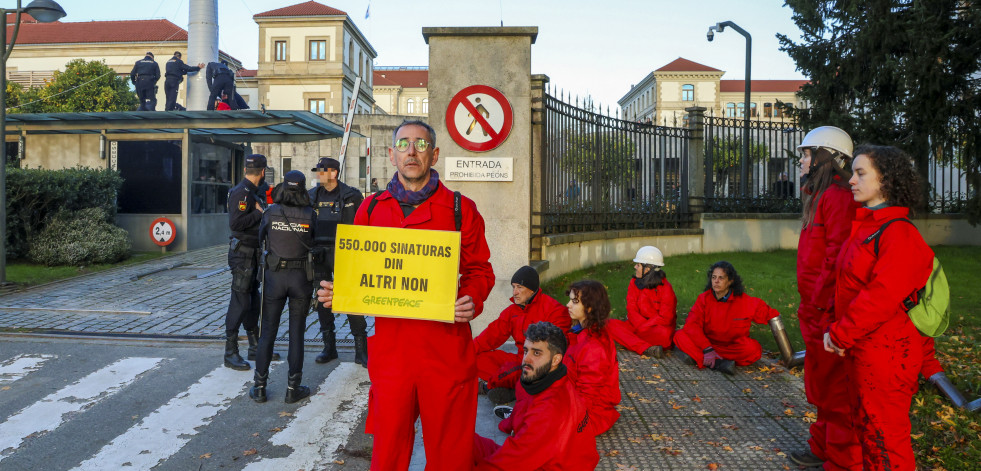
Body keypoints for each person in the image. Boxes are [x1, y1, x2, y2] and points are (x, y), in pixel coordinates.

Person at [315, 119, 495, 470]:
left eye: (421, 144)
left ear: (435, 154)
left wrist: (472, 297)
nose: (412, 151)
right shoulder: (371, 208)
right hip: (393, 350)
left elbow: (480, 270)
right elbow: (360, 272)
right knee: (388, 451)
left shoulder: (461, 209)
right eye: (404, 145)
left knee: (450, 452)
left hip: (445, 348)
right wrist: (343, 293)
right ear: (391, 155)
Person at [824, 145, 933, 471]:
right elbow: (848, 285)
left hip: (886, 357)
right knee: (871, 437)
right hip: (864, 352)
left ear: (885, 180)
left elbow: (880, 296)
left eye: (860, 174)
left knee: (886, 443)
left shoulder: (898, 233)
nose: (851, 181)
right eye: (852, 173)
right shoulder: (868, 227)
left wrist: (841, 334)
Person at [790, 125, 862, 469]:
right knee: (820, 383)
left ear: (826, 157)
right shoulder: (819, 196)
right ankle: (821, 447)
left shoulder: (837, 197)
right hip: (814, 307)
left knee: (835, 389)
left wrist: (819, 304)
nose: (802, 161)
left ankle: (841, 459)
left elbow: (836, 258)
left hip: (827, 308)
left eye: (806, 154)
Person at [472, 322, 598, 471]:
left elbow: (509, 463)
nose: (526, 359)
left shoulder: (548, 411)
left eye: (536, 353)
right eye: (526, 351)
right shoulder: (551, 380)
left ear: (556, 359)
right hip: (546, 455)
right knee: (463, 439)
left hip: (548, 464)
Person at [249, 170, 316, 404]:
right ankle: (292, 388)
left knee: (267, 332)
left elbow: (260, 240)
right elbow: (314, 242)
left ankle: (259, 386)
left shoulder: (271, 212)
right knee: (297, 334)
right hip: (300, 279)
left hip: (275, 277)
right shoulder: (310, 214)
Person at [474, 266, 570, 405]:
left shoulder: (554, 310)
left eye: (519, 287)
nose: (515, 292)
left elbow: (558, 348)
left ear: (531, 289)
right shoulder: (512, 312)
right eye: (513, 287)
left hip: (541, 364)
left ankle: (490, 387)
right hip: (519, 361)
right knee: (475, 359)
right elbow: (491, 335)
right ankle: (518, 388)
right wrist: (467, 352)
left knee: (512, 372)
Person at [308, 157, 367, 367]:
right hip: (320, 255)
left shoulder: (352, 195)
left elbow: (364, 224)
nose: (318, 174)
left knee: (351, 299)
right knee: (323, 300)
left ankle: (361, 349)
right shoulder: (312, 196)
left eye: (322, 171)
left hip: (346, 254)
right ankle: (329, 347)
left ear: (333, 173)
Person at [673, 261, 781, 375]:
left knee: (753, 350)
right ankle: (718, 363)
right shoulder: (703, 299)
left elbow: (771, 314)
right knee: (680, 336)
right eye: (713, 277)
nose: (716, 281)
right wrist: (707, 348)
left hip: (730, 348)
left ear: (730, 281)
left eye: (721, 278)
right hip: (707, 344)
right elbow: (692, 325)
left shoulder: (744, 301)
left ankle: (703, 359)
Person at [223, 154, 278, 371]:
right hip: (242, 254)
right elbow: (236, 224)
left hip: (253, 254)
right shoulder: (242, 193)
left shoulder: (254, 192)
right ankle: (230, 351)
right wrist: (259, 213)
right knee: (240, 301)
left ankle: (255, 347)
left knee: (253, 300)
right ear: (262, 172)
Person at [564, 280, 621, 436]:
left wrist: (562, 414)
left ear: (589, 308)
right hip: (572, 398)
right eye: (570, 300)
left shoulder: (594, 347)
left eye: (574, 302)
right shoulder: (581, 332)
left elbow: (587, 396)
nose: (568, 305)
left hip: (591, 414)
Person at [606, 246, 677, 358]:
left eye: (638, 264)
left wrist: (644, 327)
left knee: (665, 335)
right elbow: (631, 309)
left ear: (648, 268)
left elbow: (666, 318)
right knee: (608, 324)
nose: (635, 267)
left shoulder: (666, 288)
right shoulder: (633, 283)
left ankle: (629, 341)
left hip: (655, 329)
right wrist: (640, 326)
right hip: (636, 325)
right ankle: (647, 348)